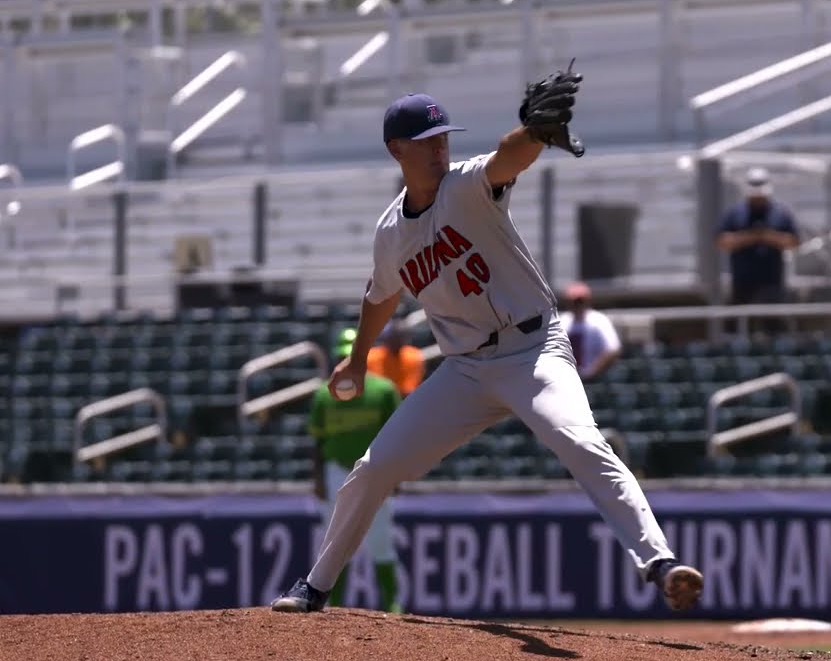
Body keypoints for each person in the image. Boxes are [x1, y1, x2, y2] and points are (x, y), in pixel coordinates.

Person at [270, 84, 703, 614]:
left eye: (442, 138)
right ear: (396, 150)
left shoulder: (467, 186)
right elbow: (379, 294)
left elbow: (508, 157)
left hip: (533, 352)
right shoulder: (390, 233)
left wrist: (535, 132)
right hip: (467, 370)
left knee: (581, 441)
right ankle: (315, 585)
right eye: (426, 141)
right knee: (373, 468)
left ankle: (659, 563)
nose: (439, 148)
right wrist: (358, 358)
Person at [307, 328, 402, 613]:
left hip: (376, 470)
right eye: (342, 356)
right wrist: (317, 478)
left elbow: (399, 435)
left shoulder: (384, 390)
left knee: (381, 540)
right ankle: (334, 604)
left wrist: (395, 474)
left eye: (351, 356)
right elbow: (317, 440)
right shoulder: (324, 395)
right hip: (336, 470)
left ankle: (392, 605)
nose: (346, 361)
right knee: (334, 540)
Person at [716, 166, 799, 305]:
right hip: (741, 284)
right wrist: (752, 236)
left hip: (772, 283)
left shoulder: (781, 213)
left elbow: (794, 242)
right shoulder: (735, 213)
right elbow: (722, 241)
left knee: (774, 323)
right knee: (736, 323)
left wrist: (768, 236)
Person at [558, 281, 622, 381]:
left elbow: (612, 349)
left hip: (595, 379)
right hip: (567, 378)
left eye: (580, 301)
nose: (577, 305)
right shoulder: (562, 321)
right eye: (573, 301)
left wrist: (592, 372)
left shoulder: (599, 320)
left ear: (587, 301)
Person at [366, 320, 425, 396]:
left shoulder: (413, 356)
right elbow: (371, 387)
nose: (394, 341)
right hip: (377, 399)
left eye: (397, 338)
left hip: (404, 399)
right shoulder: (371, 357)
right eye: (391, 338)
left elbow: (409, 389)